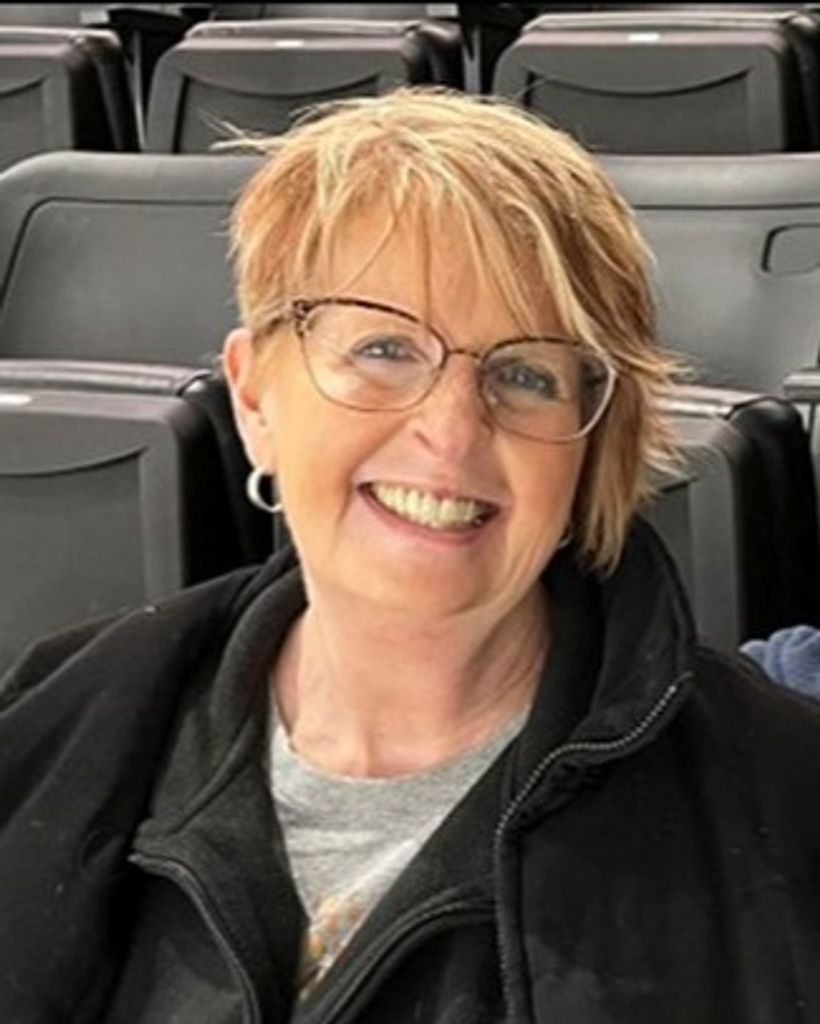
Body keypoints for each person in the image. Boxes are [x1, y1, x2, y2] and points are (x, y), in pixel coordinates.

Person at [3, 88, 820, 1024]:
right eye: (384, 347)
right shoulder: (52, 723)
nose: (451, 430)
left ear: (590, 446)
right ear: (255, 397)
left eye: (525, 374)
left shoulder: (789, 808)